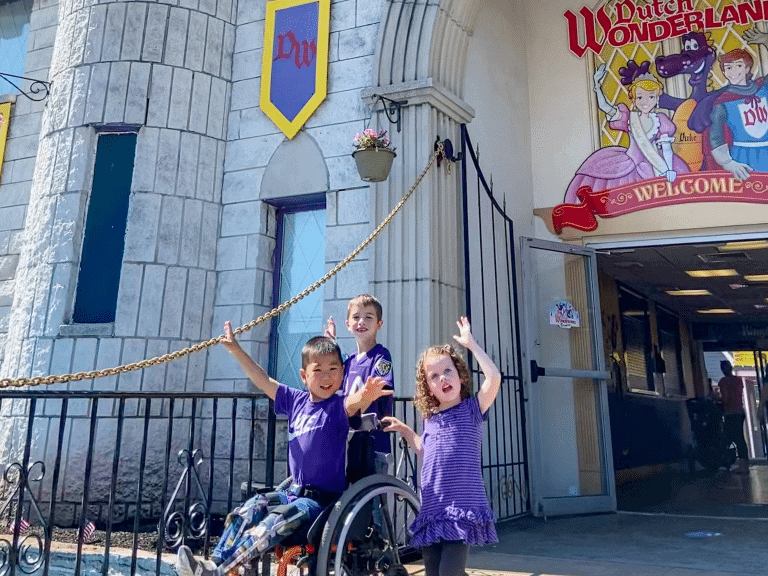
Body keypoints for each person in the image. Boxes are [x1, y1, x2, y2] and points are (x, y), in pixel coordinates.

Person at [175, 322, 393, 576]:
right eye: (318, 370)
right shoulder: (295, 400)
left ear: (342, 373)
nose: (326, 376)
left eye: (333, 369)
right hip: (291, 492)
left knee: (275, 520)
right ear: (304, 376)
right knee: (251, 506)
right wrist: (236, 349)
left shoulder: (337, 406)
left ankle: (219, 571)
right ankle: (214, 562)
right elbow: (262, 379)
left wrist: (366, 396)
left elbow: (353, 403)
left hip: (319, 502)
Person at [382, 317, 501, 576]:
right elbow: (427, 451)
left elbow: (494, 377)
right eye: (434, 376)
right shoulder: (431, 418)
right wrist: (406, 431)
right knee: (433, 573)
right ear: (428, 387)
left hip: (461, 507)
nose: (443, 378)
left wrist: (471, 345)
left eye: (448, 371)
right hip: (433, 508)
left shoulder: (472, 408)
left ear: (459, 374)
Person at [563, 61, 690, 204]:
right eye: (640, 97)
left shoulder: (661, 120)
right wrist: (597, 86)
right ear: (634, 99)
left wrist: (669, 169)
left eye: (651, 97)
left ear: (657, 99)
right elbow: (606, 107)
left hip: (655, 165)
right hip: (628, 166)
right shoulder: (629, 118)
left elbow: (667, 149)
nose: (645, 102)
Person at [326, 294, 394, 482]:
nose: (361, 322)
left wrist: (353, 406)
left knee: (371, 505)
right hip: (348, 443)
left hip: (373, 444)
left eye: (368, 317)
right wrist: (331, 345)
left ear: (379, 323)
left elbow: (381, 389)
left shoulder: (381, 356)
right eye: (356, 317)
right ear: (348, 323)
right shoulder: (349, 362)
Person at [708, 39, 768, 179]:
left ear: (747, 68)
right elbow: (716, 136)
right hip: (743, 156)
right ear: (724, 72)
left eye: (738, 65)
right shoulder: (722, 101)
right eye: (728, 68)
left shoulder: (763, 87)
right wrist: (728, 163)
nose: (733, 71)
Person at [717, 359, 749, 474]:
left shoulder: (723, 382)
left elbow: (725, 398)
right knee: (740, 438)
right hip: (740, 412)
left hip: (730, 413)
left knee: (726, 438)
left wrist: (718, 400)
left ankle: (726, 463)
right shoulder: (738, 380)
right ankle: (744, 463)